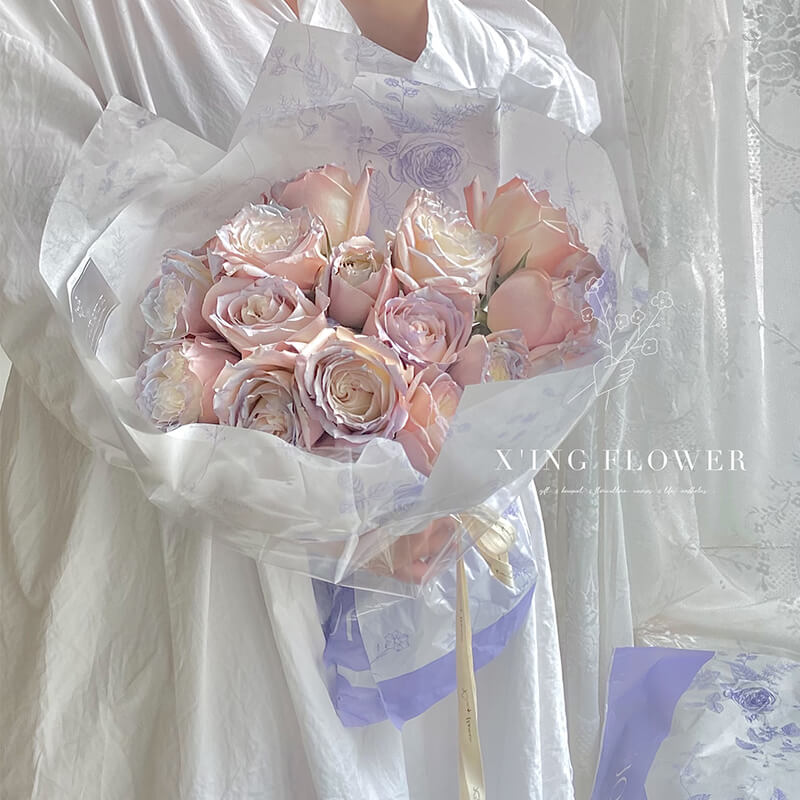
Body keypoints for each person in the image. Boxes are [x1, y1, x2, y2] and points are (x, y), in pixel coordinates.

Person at [0, 3, 597, 798]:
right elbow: (57, 263)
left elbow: (559, 112)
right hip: (185, 546)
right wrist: (352, 510)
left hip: (445, 514)